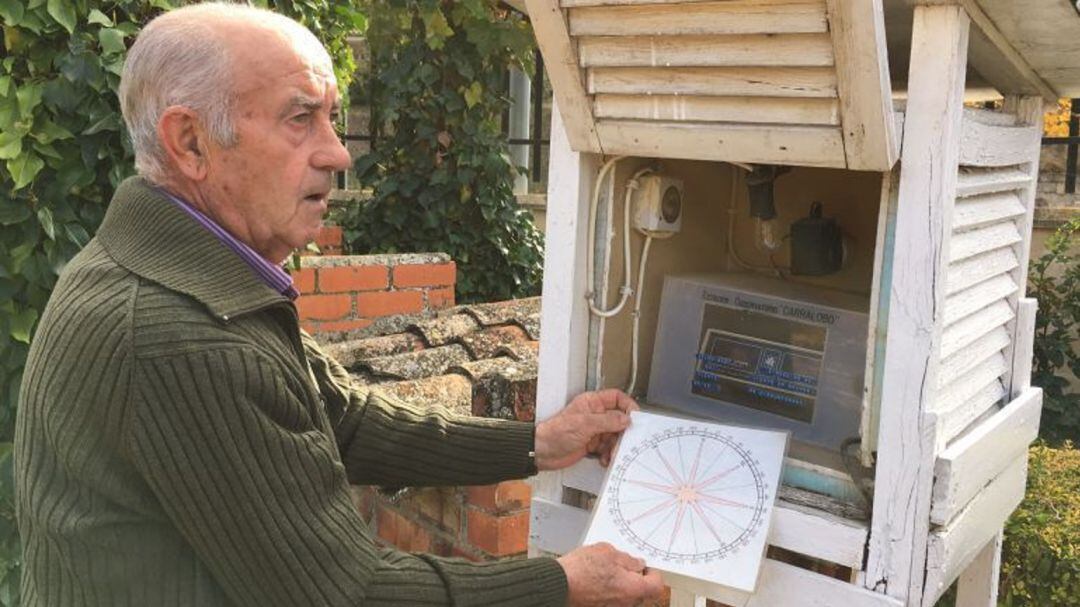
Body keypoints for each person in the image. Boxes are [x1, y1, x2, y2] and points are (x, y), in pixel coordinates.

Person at [13, 3, 664, 606]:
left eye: (331, 117)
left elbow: (341, 420)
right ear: (190, 142)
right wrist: (561, 584)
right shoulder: (181, 332)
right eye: (300, 119)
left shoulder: (186, 268)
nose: (338, 152)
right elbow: (344, 594)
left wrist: (540, 443)